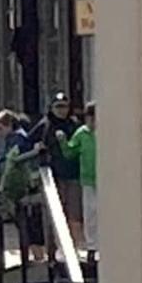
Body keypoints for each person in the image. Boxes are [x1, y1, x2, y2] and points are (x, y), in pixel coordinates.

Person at [29, 93, 82, 239]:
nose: (61, 110)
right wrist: (36, 147)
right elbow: (27, 141)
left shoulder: (74, 125)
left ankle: (75, 247)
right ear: (51, 108)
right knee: (55, 212)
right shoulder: (45, 124)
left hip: (73, 174)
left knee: (74, 213)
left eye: (64, 106)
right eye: (58, 106)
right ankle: (54, 249)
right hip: (52, 176)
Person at [59, 103, 98, 257]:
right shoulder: (81, 133)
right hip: (88, 179)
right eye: (90, 117)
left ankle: (105, 244)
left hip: (106, 178)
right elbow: (70, 152)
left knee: (105, 212)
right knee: (90, 213)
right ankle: (92, 246)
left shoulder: (107, 131)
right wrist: (62, 142)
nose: (92, 121)